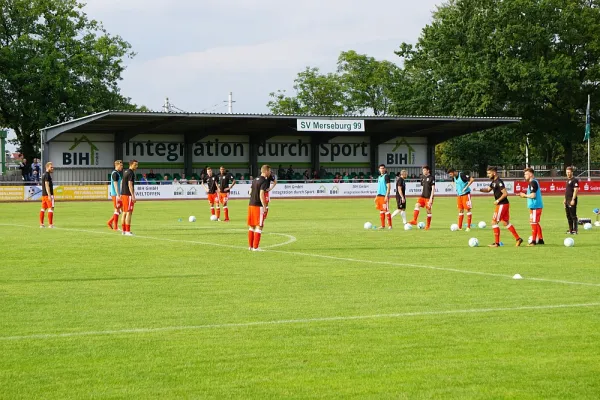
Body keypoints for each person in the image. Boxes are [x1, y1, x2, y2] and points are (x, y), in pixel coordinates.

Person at [477, 166, 523, 247]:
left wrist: (498, 200)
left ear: (494, 173)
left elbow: (505, 193)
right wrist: (479, 189)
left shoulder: (499, 182)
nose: (488, 175)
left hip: (502, 204)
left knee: (494, 222)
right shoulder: (494, 182)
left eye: (489, 173)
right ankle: (518, 239)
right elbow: (488, 190)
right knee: (505, 223)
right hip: (504, 204)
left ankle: (496, 243)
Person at [247, 165, 271, 251]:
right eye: (269, 171)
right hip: (258, 206)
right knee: (259, 226)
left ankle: (250, 246)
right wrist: (264, 206)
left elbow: (250, 192)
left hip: (251, 204)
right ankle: (256, 247)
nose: (270, 173)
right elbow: (261, 194)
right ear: (266, 171)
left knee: (252, 226)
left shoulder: (254, 180)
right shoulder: (264, 181)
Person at [519, 167, 544, 246]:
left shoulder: (533, 182)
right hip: (535, 206)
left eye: (526, 174)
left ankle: (533, 241)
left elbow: (533, 195)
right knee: (535, 222)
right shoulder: (533, 182)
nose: (524, 176)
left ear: (530, 174)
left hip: (535, 206)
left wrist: (524, 195)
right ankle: (540, 239)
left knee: (533, 223)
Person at [409, 165, 435, 229]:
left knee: (428, 210)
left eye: (424, 170)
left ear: (428, 170)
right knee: (417, 205)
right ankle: (414, 220)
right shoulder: (422, 177)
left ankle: (428, 226)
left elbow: (433, 188)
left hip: (429, 197)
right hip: (422, 197)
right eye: (423, 170)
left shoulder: (432, 178)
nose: (423, 171)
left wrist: (431, 199)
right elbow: (422, 187)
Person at [120, 160, 138, 235]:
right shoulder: (131, 173)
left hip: (123, 194)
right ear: (131, 164)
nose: (137, 166)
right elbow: (130, 184)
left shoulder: (125, 171)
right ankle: (127, 231)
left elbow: (121, 182)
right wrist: (133, 196)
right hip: (128, 195)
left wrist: (121, 193)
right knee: (129, 213)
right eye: (135, 165)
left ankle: (123, 231)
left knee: (124, 212)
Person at [374, 164, 392, 229]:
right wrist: (376, 196)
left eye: (383, 168)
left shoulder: (386, 176)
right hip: (379, 196)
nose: (382, 169)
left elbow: (389, 186)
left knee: (386, 210)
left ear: (385, 169)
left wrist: (386, 196)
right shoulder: (379, 177)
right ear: (379, 169)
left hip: (384, 196)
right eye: (381, 168)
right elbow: (379, 187)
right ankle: (383, 225)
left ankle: (390, 226)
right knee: (381, 210)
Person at [107, 160, 124, 231]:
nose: (122, 167)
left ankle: (110, 222)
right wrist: (118, 195)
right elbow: (115, 185)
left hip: (116, 194)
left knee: (120, 209)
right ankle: (115, 227)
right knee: (117, 210)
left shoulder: (117, 173)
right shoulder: (115, 173)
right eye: (121, 165)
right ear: (116, 165)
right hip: (115, 194)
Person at [564, 166, 580, 234]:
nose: (568, 173)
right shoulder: (567, 180)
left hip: (571, 200)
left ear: (572, 172)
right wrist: (565, 199)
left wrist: (573, 199)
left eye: (569, 172)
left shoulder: (574, 180)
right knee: (568, 216)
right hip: (567, 200)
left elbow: (576, 190)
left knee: (573, 215)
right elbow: (567, 191)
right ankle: (570, 229)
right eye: (567, 172)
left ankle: (575, 230)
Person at [40, 162, 55, 228]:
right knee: (51, 208)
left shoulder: (44, 174)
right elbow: (46, 185)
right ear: (47, 167)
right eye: (51, 167)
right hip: (48, 195)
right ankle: (50, 225)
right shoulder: (47, 175)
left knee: (43, 209)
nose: (52, 168)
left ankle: (41, 224)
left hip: (44, 195)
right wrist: (49, 195)